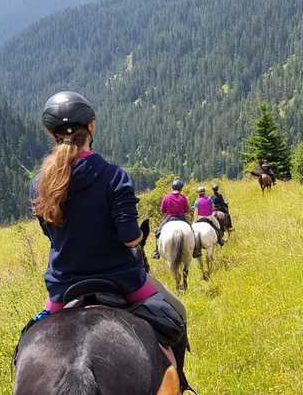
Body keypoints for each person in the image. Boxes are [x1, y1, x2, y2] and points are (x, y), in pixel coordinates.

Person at [24, 91, 188, 374]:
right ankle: (181, 384)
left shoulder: (40, 184)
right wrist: (135, 236)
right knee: (176, 317)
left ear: (52, 135)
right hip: (122, 279)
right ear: (92, 127)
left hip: (63, 286)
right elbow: (129, 238)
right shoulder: (115, 176)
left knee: (26, 343)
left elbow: (51, 236)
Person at [153, 179, 189, 259]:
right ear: (181, 188)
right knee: (192, 231)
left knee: (158, 232)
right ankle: (196, 249)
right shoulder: (183, 198)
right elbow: (186, 210)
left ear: (172, 187)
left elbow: (162, 210)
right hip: (181, 217)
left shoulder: (166, 197)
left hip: (169, 217)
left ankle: (156, 251)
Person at [193, 186, 224, 254]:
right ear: (204, 192)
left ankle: (193, 246)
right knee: (218, 226)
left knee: (191, 230)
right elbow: (213, 208)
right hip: (209, 217)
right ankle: (220, 239)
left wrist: (195, 221)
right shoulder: (209, 199)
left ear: (198, 193)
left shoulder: (197, 201)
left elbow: (196, 213)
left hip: (199, 218)